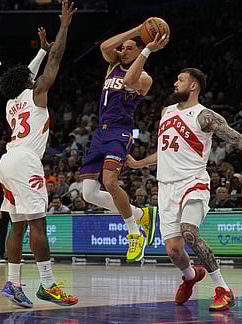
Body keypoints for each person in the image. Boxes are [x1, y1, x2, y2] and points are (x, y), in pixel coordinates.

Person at [126, 68, 242, 311]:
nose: (175, 83)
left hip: (193, 182)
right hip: (166, 187)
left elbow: (239, 140)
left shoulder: (205, 116)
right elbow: (165, 152)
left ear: (193, 86)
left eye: (180, 80)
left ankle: (223, 289)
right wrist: (138, 163)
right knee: (174, 251)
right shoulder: (166, 112)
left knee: (189, 232)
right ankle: (190, 275)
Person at [0, 0, 78, 308]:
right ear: (29, 83)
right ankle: (47, 284)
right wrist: (64, 28)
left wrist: (41, 50)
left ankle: (13, 283)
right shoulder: (37, 93)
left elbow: (24, 73)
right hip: (25, 162)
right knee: (37, 225)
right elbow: (53, 64)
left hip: (7, 162)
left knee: (16, 225)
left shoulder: (11, 103)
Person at [80, 21, 169, 262]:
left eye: (128, 48)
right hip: (100, 132)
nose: (122, 50)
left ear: (140, 52)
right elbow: (105, 46)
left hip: (120, 131)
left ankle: (134, 233)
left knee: (109, 181)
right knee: (88, 193)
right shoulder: (113, 65)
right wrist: (137, 30)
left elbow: (130, 82)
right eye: (123, 48)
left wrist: (146, 49)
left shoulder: (145, 78)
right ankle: (142, 215)